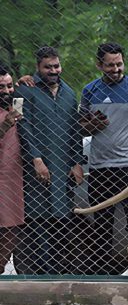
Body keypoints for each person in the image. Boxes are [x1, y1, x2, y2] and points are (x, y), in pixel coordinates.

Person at [79, 42, 128, 273]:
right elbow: (81, 127)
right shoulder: (90, 90)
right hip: (100, 167)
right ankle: (101, 271)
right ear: (99, 65)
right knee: (101, 222)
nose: (116, 69)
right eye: (110, 65)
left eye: (119, 64)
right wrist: (92, 124)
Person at [13, 46, 84, 274]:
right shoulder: (22, 92)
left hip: (63, 164)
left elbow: (75, 130)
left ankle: (60, 267)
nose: (53, 71)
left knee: (62, 217)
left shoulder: (70, 93)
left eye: (56, 66)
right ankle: (42, 269)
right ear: (38, 67)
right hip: (37, 165)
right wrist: (35, 158)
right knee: (38, 217)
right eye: (48, 67)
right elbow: (21, 127)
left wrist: (76, 162)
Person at [0, 65, 24, 273]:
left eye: (9, 86)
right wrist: (4, 126)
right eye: (2, 87)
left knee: (12, 229)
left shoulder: (15, 106)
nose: (7, 91)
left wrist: (26, 81)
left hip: (14, 177)